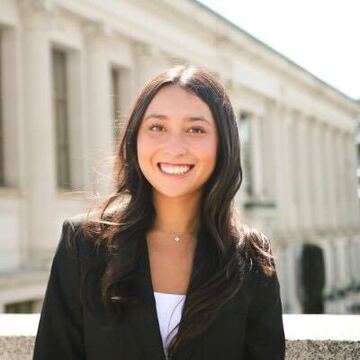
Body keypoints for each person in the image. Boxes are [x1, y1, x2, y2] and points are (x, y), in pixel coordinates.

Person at [33, 65, 286, 360]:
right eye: (157, 127)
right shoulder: (83, 244)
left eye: (195, 129)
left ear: (223, 144)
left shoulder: (250, 257)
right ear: (135, 138)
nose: (174, 147)